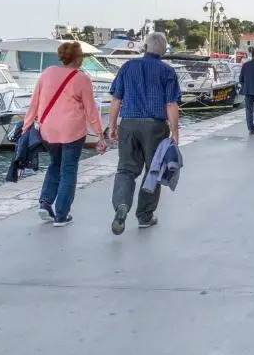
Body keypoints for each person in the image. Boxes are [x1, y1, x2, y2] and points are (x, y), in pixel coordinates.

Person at [23, 41, 106, 227]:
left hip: (48, 130)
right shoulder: (81, 79)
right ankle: (61, 214)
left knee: (54, 164)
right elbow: (91, 110)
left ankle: (45, 203)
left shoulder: (47, 73)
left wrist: (26, 127)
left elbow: (34, 102)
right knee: (68, 170)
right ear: (79, 58)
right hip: (72, 131)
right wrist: (100, 134)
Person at [107, 31, 181, 235]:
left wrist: (112, 125)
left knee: (126, 170)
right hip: (155, 127)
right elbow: (171, 104)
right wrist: (175, 132)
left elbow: (116, 99)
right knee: (153, 170)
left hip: (129, 124)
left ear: (145, 47)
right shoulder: (167, 72)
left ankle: (122, 205)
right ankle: (145, 216)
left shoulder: (128, 67)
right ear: (163, 50)